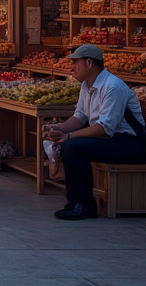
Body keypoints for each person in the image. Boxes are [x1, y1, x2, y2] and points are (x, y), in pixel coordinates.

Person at [43, 44, 146, 220]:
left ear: (89, 62)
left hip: (131, 144)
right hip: (113, 140)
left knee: (73, 146)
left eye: (75, 62)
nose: (72, 67)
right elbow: (80, 116)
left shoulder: (113, 87)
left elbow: (105, 128)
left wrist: (69, 136)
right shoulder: (86, 85)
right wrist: (59, 128)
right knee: (68, 144)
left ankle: (85, 205)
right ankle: (75, 202)